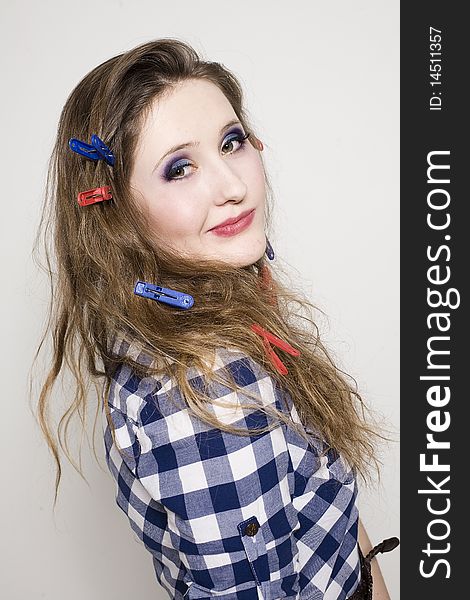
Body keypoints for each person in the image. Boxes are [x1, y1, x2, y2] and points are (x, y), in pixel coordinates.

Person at [33, 38, 398, 599]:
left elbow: (328, 514)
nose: (233, 187)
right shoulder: (207, 390)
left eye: (232, 143)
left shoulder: (200, 319)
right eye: (179, 169)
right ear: (115, 211)